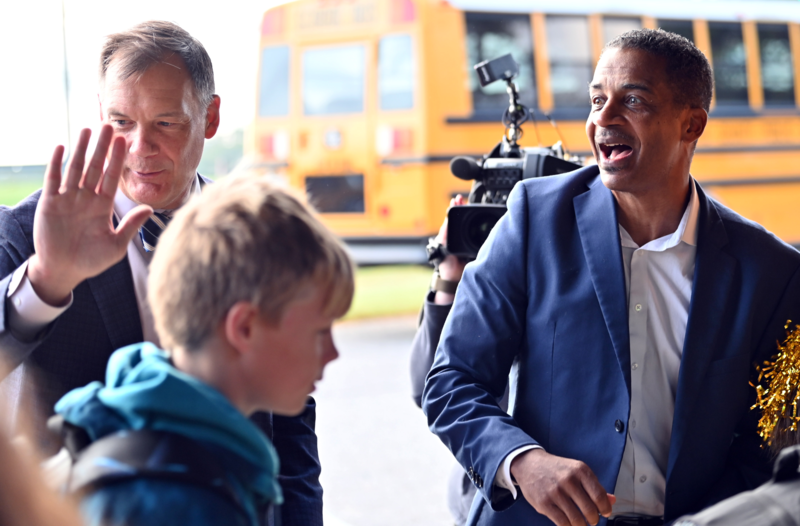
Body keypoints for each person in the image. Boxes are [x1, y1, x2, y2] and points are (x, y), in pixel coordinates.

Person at [421, 28, 800, 526]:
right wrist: (521, 462)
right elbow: (452, 381)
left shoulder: (773, 271)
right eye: (597, 99)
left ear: (692, 124)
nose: (602, 118)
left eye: (633, 100)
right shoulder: (534, 218)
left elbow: (768, 446)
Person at [0, 21, 323, 525]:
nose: (138, 146)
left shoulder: (256, 231)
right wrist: (45, 280)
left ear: (210, 116)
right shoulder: (30, 232)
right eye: (121, 121)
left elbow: (291, 426)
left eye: (166, 123)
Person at [51, 176, 353, 526]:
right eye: (318, 333)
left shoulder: (141, 443)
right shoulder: (179, 505)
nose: (333, 353)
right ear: (244, 328)